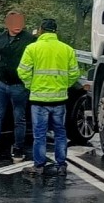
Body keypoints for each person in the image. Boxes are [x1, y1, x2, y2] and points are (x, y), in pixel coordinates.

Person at [17, 18, 80, 176]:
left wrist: (31, 85)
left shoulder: (32, 48)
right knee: (60, 133)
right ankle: (61, 165)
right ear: (55, 31)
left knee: (39, 134)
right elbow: (75, 74)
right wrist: (64, 86)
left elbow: (22, 71)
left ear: (40, 30)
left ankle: (39, 166)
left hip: (39, 100)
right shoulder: (67, 49)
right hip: (59, 99)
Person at [0, 11, 36, 163]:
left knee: (19, 118)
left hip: (20, 85)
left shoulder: (29, 39)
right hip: (3, 84)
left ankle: (18, 149)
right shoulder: (0, 39)